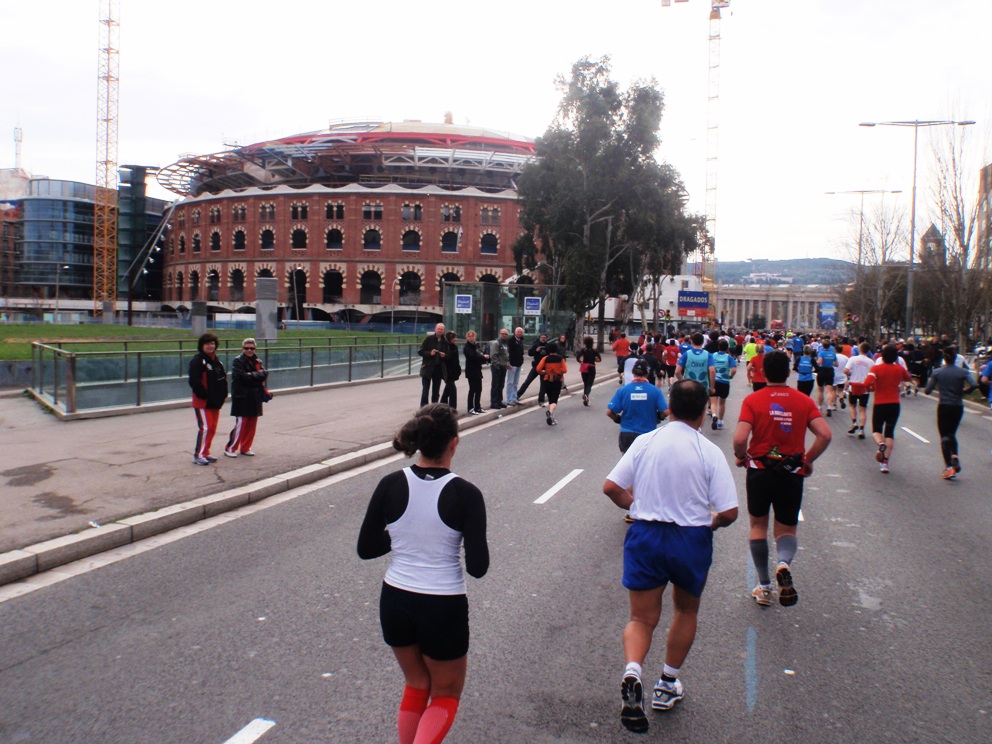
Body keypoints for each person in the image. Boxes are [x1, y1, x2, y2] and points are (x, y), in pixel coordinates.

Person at [603, 380, 738, 732]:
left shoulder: (646, 441)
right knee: (685, 609)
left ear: (671, 407)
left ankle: (633, 671)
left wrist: (638, 507)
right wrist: (714, 522)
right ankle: (666, 684)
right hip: (690, 537)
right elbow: (730, 511)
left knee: (641, 618)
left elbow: (611, 487)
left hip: (646, 534)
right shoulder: (708, 451)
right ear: (703, 412)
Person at [357, 404, 489, 744]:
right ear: (454, 444)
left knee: (416, 683)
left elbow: (366, 548)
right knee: (445, 692)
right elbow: (477, 568)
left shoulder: (390, 484)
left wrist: (403, 535)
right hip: (442, 603)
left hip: (396, 598)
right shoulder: (466, 493)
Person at [732, 351, 832, 608]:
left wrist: (741, 457)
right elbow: (825, 435)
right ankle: (783, 564)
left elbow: (741, 439)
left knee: (758, 527)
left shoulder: (753, 400)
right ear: (789, 372)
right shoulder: (803, 401)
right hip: (791, 472)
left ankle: (764, 587)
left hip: (759, 471)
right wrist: (807, 459)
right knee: (786, 529)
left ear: (763, 372)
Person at [925, 346, 977, 479]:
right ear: (956, 359)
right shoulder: (963, 372)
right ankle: (955, 456)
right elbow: (974, 384)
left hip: (944, 405)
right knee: (952, 433)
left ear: (944, 359)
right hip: (957, 406)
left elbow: (927, 390)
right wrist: (964, 392)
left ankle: (948, 466)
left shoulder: (938, 372)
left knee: (944, 436)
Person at [863, 344, 913, 474]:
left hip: (880, 403)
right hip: (894, 404)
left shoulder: (876, 368)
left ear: (882, 356)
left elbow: (867, 383)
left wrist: (870, 388)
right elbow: (908, 377)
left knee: (876, 430)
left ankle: (880, 444)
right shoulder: (899, 369)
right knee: (890, 433)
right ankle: (885, 463)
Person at [607, 360, 669, 453]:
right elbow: (665, 411)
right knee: (645, 465)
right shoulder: (655, 391)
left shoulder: (623, 390)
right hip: (648, 433)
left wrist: (618, 419)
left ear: (632, 372)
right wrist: (659, 416)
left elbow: (609, 412)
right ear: (648, 373)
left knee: (628, 465)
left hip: (627, 432)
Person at [188, 332, 229, 465]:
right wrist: (203, 394)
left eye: (212, 343)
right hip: (203, 401)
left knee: (212, 427)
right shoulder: (197, 361)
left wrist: (222, 395)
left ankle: (206, 452)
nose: (210, 346)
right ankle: (198, 454)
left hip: (215, 401)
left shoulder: (217, 361)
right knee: (205, 428)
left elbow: (223, 379)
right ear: (202, 346)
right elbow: (194, 381)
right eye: (207, 344)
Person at [224, 337, 267, 457]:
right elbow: (242, 377)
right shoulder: (237, 361)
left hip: (254, 396)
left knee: (252, 423)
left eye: (251, 348)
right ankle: (230, 448)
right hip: (242, 396)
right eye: (246, 348)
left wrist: (252, 375)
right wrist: (256, 376)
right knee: (241, 423)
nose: (249, 350)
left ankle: (245, 447)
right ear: (242, 349)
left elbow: (264, 374)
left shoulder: (258, 361)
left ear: (255, 349)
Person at [844, 342, 874, 439]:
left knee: (852, 405)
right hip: (864, 387)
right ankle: (861, 429)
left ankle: (854, 422)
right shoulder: (871, 362)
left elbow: (845, 370)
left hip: (854, 385)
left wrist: (850, 373)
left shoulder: (853, 359)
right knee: (863, 409)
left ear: (860, 349)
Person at [536, 341, 567, 425]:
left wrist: (544, 371)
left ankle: (551, 418)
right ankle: (550, 412)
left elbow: (538, 368)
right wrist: (557, 371)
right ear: (556, 349)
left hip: (547, 380)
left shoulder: (545, 358)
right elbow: (564, 370)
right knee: (554, 401)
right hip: (556, 381)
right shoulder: (560, 359)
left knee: (550, 399)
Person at [675, 333, 716, 397]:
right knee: (702, 405)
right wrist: (712, 387)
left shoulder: (686, 354)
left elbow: (677, 371)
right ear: (703, 342)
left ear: (691, 341)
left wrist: (683, 382)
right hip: (703, 386)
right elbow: (712, 371)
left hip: (689, 386)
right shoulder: (708, 355)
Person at [418, 324, 449, 407]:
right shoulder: (429, 339)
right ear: (435, 329)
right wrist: (430, 353)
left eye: (441, 329)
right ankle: (424, 408)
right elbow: (420, 351)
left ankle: (434, 408)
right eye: (438, 329)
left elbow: (448, 356)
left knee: (436, 391)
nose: (440, 330)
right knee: (425, 390)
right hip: (427, 368)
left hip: (438, 368)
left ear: (443, 331)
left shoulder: (445, 342)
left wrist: (444, 355)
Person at [709, 339, 737, 430]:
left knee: (713, 401)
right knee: (722, 403)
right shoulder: (729, 357)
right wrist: (731, 376)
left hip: (714, 381)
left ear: (718, 347)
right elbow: (734, 369)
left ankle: (713, 415)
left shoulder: (713, 355)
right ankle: (720, 421)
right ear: (727, 348)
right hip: (724, 382)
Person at [516, 332, 549, 405]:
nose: (543, 339)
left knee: (543, 385)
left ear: (546, 339)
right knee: (527, 381)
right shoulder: (536, 344)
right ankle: (517, 395)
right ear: (539, 338)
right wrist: (536, 351)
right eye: (542, 338)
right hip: (536, 366)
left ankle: (541, 400)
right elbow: (530, 353)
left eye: (544, 338)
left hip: (544, 367)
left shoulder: (548, 346)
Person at [462, 331, 489, 415]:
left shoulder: (476, 346)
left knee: (479, 389)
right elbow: (473, 357)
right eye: (469, 336)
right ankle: (470, 407)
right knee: (472, 389)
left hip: (477, 370)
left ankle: (477, 406)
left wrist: (484, 356)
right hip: (471, 371)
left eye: (473, 336)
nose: (471, 338)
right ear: (467, 337)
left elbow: (480, 354)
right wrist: (483, 357)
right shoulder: (467, 347)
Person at [487, 329, 510, 409]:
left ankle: (499, 401)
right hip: (497, 367)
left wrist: (507, 364)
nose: (504, 335)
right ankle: (494, 402)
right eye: (503, 334)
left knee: (501, 385)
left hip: (503, 367)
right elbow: (493, 355)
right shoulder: (496, 343)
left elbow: (506, 355)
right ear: (500, 334)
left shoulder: (505, 344)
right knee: (495, 385)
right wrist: (496, 365)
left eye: (505, 334)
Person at [576, 335, 602, 406]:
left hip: (584, 367)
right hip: (591, 367)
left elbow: (578, 357)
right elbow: (599, 359)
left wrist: (581, 361)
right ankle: (586, 395)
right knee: (589, 384)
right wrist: (595, 359)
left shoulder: (583, 350)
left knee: (585, 383)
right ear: (592, 342)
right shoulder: (594, 350)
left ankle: (586, 399)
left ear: (585, 342)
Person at [815, 340, 839, 415]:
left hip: (822, 371)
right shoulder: (833, 353)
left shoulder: (821, 353)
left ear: (822, 345)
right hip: (830, 371)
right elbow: (836, 364)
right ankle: (829, 406)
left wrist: (816, 362)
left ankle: (819, 407)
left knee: (820, 390)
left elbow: (819, 362)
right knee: (829, 390)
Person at [440, 331, 461, 411]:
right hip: (447, 371)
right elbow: (447, 358)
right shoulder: (445, 346)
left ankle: (442, 405)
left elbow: (456, 359)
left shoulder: (454, 346)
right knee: (452, 390)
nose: (455, 339)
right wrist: (445, 356)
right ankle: (452, 408)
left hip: (453, 370)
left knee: (447, 390)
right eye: (454, 338)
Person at [505, 327, 526, 406]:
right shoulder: (510, 340)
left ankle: (514, 398)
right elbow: (508, 352)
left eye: (521, 332)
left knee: (515, 382)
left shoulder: (520, 341)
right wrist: (508, 362)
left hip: (519, 363)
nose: (519, 333)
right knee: (510, 382)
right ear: (515, 332)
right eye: (518, 332)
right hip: (512, 364)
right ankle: (509, 399)